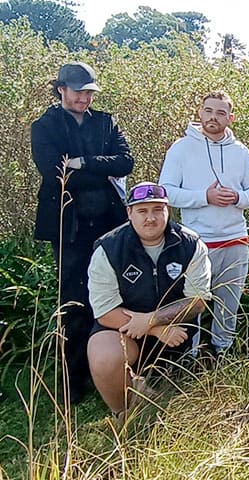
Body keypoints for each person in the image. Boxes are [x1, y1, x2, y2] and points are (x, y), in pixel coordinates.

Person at [31, 61, 134, 403]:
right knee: (73, 301)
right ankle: (73, 380)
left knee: (112, 295)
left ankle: (109, 366)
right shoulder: (44, 126)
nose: (85, 98)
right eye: (79, 91)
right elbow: (52, 170)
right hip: (69, 226)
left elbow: (124, 162)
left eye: (90, 92)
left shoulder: (106, 122)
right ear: (61, 89)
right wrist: (93, 166)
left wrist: (82, 162)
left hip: (108, 223)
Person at [86, 182, 211, 417]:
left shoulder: (191, 244)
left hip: (176, 335)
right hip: (122, 330)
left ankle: (148, 388)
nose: (150, 218)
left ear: (168, 211)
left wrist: (151, 320)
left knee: (177, 404)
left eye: (157, 210)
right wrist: (155, 328)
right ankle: (123, 413)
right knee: (104, 357)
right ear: (129, 213)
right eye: (142, 211)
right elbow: (105, 312)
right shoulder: (108, 249)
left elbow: (197, 301)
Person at [159, 91, 249, 356]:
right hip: (196, 241)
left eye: (220, 113)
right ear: (200, 112)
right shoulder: (181, 148)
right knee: (191, 303)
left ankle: (223, 353)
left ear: (230, 117)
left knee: (229, 303)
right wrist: (204, 197)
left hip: (235, 239)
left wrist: (238, 197)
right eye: (208, 111)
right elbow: (165, 192)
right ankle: (189, 356)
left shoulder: (241, 152)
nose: (213, 117)